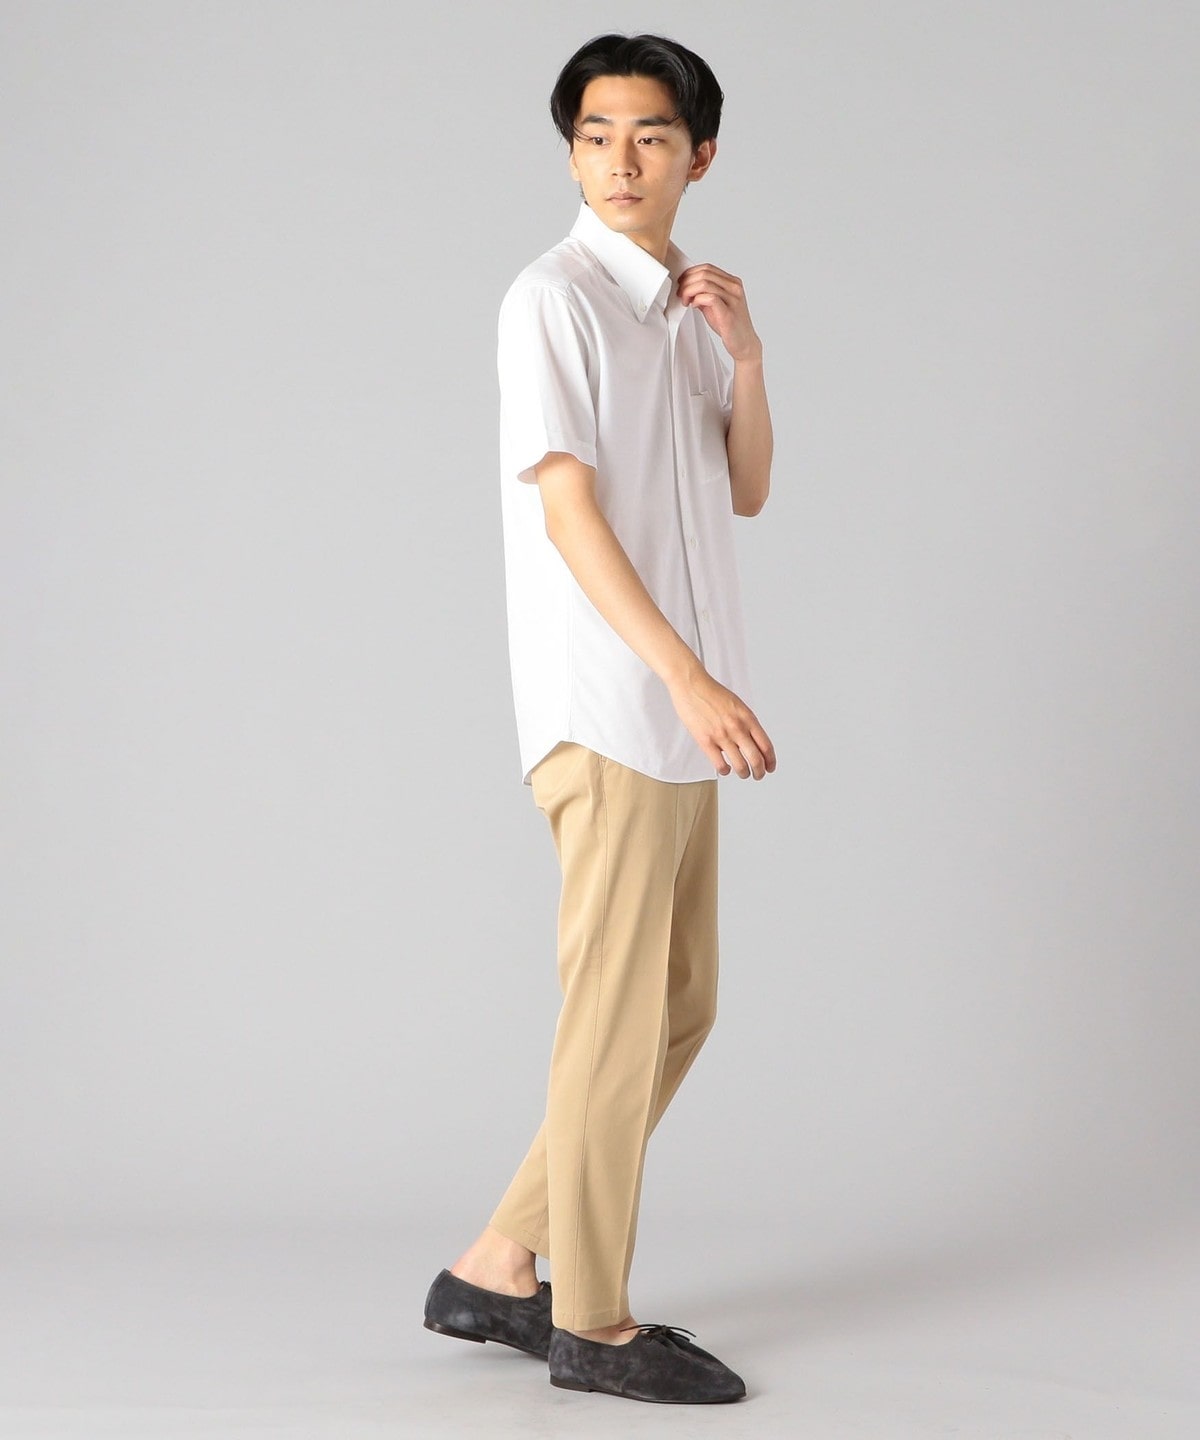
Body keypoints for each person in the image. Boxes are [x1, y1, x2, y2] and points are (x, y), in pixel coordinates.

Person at [423, 31, 776, 1405]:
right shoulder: (553, 299)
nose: (621, 161)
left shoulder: (680, 308)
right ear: (571, 152)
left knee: (678, 1006)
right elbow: (567, 510)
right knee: (616, 1023)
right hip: (616, 705)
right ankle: (596, 1323)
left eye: (650, 135)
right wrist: (685, 675)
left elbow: (744, 485)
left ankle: (497, 1265)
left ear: (701, 154)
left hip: (680, 717)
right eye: (595, 136)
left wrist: (747, 354)